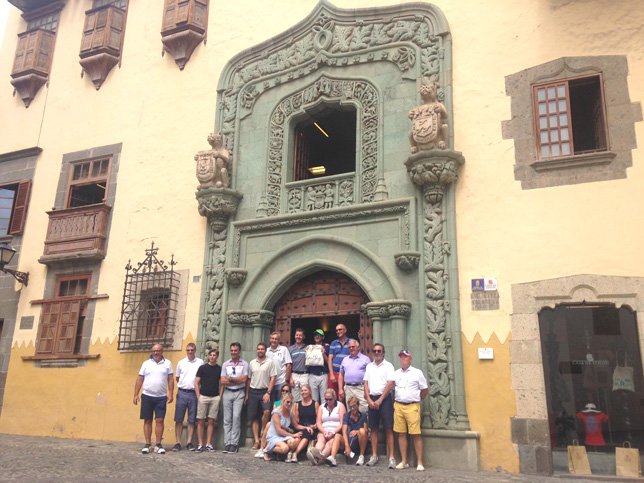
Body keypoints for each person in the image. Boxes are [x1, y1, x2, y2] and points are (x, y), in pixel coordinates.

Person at [133, 344, 174, 454]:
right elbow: (140, 379)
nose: (156, 353)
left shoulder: (168, 363)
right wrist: (136, 394)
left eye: (158, 351)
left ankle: (158, 444)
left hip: (161, 397)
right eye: (154, 351)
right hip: (147, 395)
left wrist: (171, 394)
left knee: (160, 420)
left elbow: (170, 379)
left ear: (162, 351)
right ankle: (147, 444)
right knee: (147, 420)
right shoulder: (146, 364)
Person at [393, 350, 428, 471]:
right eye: (401, 357)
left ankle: (419, 462)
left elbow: (425, 390)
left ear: (410, 359)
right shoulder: (396, 373)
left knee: (416, 434)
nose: (403, 359)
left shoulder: (417, 373)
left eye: (405, 357)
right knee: (401, 433)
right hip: (399, 406)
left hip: (412, 406)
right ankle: (404, 461)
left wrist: (416, 399)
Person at [363, 342, 395, 468]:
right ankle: (374, 455)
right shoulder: (369, 366)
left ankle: (391, 457)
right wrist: (369, 400)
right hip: (372, 399)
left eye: (379, 351)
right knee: (374, 428)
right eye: (375, 351)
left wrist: (381, 400)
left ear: (383, 352)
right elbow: (365, 383)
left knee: (388, 428)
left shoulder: (388, 366)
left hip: (385, 399)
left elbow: (390, 384)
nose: (377, 353)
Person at [173, 342, 204, 451]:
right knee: (179, 418)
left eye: (192, 350)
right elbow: (177, 378)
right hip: (182, 392)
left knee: (192, 419)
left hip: (193, 393)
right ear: (186, 351)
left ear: (195, 351)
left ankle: (189, 442)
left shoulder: (200, 362)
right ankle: (178, 442)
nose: (190, 352)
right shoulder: (181, 363)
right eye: (188, 350)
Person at [246, 342, 277, 451]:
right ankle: (256, 441)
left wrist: (268, 392)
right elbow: (249, 379)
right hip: (253, 391)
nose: (260, 351)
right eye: (258, 349)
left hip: (265, 391)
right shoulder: (252, 363)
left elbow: (273, 378)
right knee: (253, 416)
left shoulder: (270, 362)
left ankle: (263, 430)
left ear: (265, 350)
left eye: (262, 349)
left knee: (267, 411)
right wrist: (247, 394)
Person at [220, 342, 248, 454]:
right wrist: (236, 379)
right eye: (231, 350)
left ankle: (234, 443)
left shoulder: (244, 364)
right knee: (227, 419)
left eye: (235, 350)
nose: (233, 352)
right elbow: (222, 381)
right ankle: (227, 443)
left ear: (239, 351)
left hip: (239, 393)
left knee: (236, 417)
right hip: (227, 393)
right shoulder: (225, 364)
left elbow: (244, 380)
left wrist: (230, 379)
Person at [309, 388, 346, 466]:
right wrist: (324, 431)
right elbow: (318, 422)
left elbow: (342, 423)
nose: (328, 401)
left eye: (330, 399)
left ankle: (317, 457)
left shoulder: (340, 406)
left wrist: (333, 433)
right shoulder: (322, 407)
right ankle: (317, 453)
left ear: (334, 397)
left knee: (330, 443)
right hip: (324, 430)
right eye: (326, 399)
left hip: (335, 431)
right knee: (321, 440)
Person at [194, 348, 221, 452]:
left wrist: (220, 396)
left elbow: (222, 383)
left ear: (217, 357)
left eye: (214, 355)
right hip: (203, 396)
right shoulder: (202, 368)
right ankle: (200, 443)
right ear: (208, 356)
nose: (212, 357)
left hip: (214, 397)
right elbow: (196, 382)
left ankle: (208, 443)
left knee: (211, 420)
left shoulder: (219, 369)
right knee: (200, 420)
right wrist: (198, 396)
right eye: (211, 355)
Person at [263, 394, 303, 463]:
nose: (289, 404)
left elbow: (296, 425)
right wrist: (293, 435)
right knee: (285, 448)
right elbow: (279, 430)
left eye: (291, 402)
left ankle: (282, 453)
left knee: (293, 442)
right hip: (274, 435)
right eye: (287, 402)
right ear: (283, 401)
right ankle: (268, 449)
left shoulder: (290, 413)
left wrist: (308, 428)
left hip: (283, 435)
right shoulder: (276, 412)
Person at [255, 384, 292, 458]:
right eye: (283, 391)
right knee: (269, 424)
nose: (284, 392)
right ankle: (262, 448)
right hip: (278, 425)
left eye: (286, 391)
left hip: (287, 427)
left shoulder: (291, 403)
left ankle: (267, 449)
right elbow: (275, 417)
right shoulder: (277, 404)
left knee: (269, 424)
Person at [338, 339, 370, 413]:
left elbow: (370, 375)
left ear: (358, 348)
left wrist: (367, 389)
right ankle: (352, 425)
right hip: (348, 388)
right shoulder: (345, 359)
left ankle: (364, 424)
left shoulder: (365, 359)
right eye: (350, 347)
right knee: (350, 409)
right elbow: (341, 375)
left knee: (364, 409)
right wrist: (340, 389)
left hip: (361, 388)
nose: (351, 348)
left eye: (353, 347)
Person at [291, 384, 319, 462]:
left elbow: (319, 420)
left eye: (305, 390)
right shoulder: (297, 404)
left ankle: (295, 453)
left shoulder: (315, 404)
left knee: (307, 432)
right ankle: (292, 453)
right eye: (302, 391)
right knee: (302, 434)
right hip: (301, 427)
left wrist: (313, 426)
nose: (303, 392)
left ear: (310, 392)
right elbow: (297, 421)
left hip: (312, 428)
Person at [341, 396, 368, 465]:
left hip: (361, 441)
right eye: (350, 407)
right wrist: (347, 446)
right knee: (338, 436)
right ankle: (332, 457)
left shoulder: (363, 416)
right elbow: (344, 431)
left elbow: (366, 430)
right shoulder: (346, 416)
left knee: (362, 431)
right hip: (350, 440)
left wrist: (357, 431)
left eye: (354, 406)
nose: (352, 409)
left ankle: (361, 456)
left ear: (358, 405)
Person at [266, 332, 292, 402]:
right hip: (269, 382)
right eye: (272, 338)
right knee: (270, 404)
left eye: (276, 339)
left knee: (281, 403)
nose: (274, 340)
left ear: (279, 340)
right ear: (270, 339)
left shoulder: (284, 349)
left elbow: (288, 365)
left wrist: (287, 380)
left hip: (281, 381)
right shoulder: (266, 351)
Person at [306, 329, 330, 404]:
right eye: (315, 335)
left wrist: (323, 353)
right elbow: (307, 362)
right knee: (314, 399)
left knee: (324, 399)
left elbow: (329, 362)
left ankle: (324, 415)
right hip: (312, 375)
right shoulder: (310, 347)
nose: (317, 336)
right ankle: (316, 415)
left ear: (323, 337)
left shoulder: (327, 347)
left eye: (319, 335)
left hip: (323, 374)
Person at [328, 324, 352, 395]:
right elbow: (330, 359)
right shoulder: (334, 343)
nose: (338, 331)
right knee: (333, 396)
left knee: (344, 396)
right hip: (334, 373)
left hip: (346, 375)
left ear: (345, 330)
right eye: (337, 330)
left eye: (340, 329)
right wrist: (332, 374)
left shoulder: (351, 342)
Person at [288, 328, 308, 402]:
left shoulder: (307, 348)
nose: (298, 337)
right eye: (297, 335)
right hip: (294, 375)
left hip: (305, 374)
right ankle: (295, 413)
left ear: (303, 337)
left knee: (305, 396)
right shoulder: (290, 349)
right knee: (294, 398)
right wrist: (290, 378)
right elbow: (288, 365)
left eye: (300, 335)